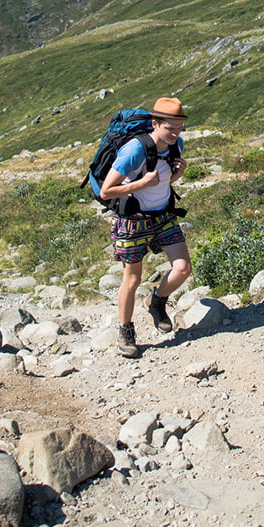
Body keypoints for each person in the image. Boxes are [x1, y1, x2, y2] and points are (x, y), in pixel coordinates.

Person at [99, 97, 191, 358]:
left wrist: (177, 176)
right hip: (132, 220)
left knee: (182, 269)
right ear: (155, 124)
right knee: (133, 279)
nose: (175, 134)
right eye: (169, 128)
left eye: (179, 128)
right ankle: (126, 331)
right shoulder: (134, 150)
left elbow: (161, 181)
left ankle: (156, 301)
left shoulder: (177, 145)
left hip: (163, 216)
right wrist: (142, 184)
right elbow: (107, 191)